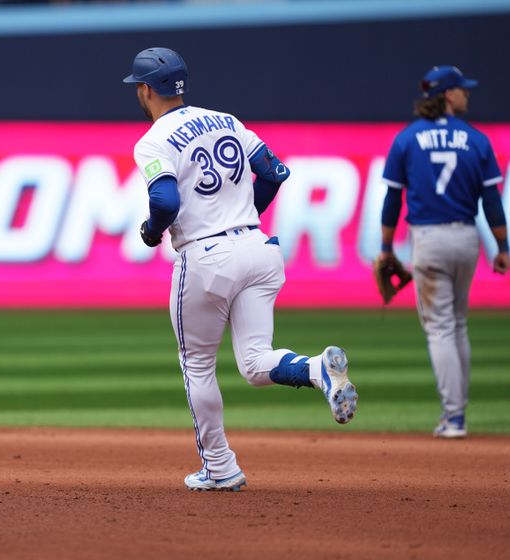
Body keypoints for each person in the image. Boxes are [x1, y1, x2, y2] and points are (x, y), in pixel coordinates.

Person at [123, 47, 358, 491]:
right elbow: (274, 171)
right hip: (258, 247)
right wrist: (245, 212)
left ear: (143, 90)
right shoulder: (226, 120)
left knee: (197, 365)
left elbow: (165, 201)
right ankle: (315, 369)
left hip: (207, 258)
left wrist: (153, 233)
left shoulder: (152, 141)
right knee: (253, 362)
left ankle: (220, 465)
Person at [379, 66, 510, 439]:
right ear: (449, 95)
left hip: (429, 238)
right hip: (467, 237)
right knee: (457, 323)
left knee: (439, 327)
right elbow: (492, 200)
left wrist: (386, 248)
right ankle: (458, 412)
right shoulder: (476, 140)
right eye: (462, 90)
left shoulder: (407, 139)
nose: (467, 94)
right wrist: (501, 246)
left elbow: (393, 199)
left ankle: (453, 417)